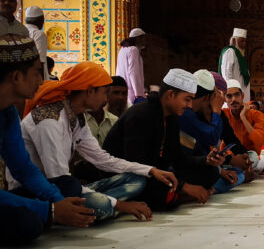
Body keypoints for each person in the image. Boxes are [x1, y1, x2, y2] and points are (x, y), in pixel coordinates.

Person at [16, 61, 177, 222]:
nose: (106, 99)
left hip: (64, 187)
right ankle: (104, 207)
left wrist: (150, 170)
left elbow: (102, 159)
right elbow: (59, 178)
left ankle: (101, 208)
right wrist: (120, 204)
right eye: (105, 92)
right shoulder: (49, 120)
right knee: (76, 188)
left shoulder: (77, 118)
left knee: (137, 180)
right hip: (40, 192)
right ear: (90, 90)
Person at [0, 35, 95, 244]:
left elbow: (23, 168)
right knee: (28, 223)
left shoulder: (7, 113)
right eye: (36, 73)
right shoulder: (47, 116)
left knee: (68, 186)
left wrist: (59, 203)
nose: (41, 80)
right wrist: (50, 209)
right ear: (17, 77)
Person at [103, 69, 224, 210]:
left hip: (156, 171)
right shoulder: (140, 115)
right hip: (128, 177)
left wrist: (206, 160)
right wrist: (184, 186)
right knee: (147, 185)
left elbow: (177, 157)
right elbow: (137, 165)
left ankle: (176, 195)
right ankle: (178, 196)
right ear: (171, 95)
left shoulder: (172, 117)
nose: (190, 106)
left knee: (211, 171)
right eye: (187, 99)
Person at [180, 70, 252, 194]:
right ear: (210, 98)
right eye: (224, 97)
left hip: (198, 163)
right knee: (227, 175)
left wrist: (242, 159)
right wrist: (216, 111)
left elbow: (229, 140)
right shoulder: (187, 113)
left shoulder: (202, 112)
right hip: (178, 169)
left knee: (251, 158)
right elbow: (211, 138)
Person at [223, 79, 264, 172]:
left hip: (250, 156)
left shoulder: (256, 115)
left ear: (242, 96)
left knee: (261, 160)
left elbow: (259, 141)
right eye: (229, 96)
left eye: (237, 95)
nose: (234, 99)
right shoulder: (223, 114)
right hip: (229, 157)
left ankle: (238, 170)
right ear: (225, 99)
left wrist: (243, 118)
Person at [84, 77, 124, 147]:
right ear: (90, 92)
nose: (106, 99)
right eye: (105, 92)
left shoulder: (114, 121)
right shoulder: (77, 122)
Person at [219, 28, 251, 103]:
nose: (244, 44)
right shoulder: (230, 52)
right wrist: (230, 91)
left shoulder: (238, 54)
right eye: (242, 41)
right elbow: (226, 74)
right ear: (234, 41)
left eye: (245, 41)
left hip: (240, 94)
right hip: (233, 96)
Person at [116, 28, 147, 104]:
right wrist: (138, 94)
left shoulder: (122, 50)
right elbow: (133, 72)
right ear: (138, 38)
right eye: (143, 38)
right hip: (133, 92)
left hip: (123, 88)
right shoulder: (134, 50)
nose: (145, 41)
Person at [23, 6, 48, 80]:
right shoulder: (38, 34)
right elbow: (40, 60)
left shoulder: (20, 31)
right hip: (35, 78)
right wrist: (41, 83)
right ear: (40, 20)